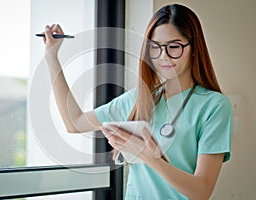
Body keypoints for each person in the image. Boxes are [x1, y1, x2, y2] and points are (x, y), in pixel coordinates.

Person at [42, 4, 233, 200]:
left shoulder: (214, 107)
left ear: (194, 48)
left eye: (174, 46)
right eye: (156, 47)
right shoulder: (140, 99)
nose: (164, 56)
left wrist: (151, 158)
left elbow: (202, 191)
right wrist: (51, 57)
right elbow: (74, 122)